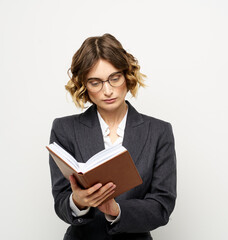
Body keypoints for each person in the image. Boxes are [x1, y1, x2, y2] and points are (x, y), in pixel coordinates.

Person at [48, 33, 177, 240]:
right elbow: (61, 202)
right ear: (84, 86)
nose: (107, 90)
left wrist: (116, 210)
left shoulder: (159, 132)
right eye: (95, 82)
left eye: (114, 78)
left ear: (127, 76)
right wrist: (78, 202)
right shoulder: (64, 129)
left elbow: (162, 206)